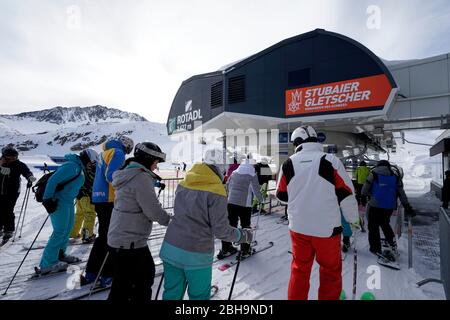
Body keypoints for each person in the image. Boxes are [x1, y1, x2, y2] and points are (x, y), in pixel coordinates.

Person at [276, 126, 359, 300]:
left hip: (298, 228)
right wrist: (353, 220)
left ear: (297, 142)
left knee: (299, 269)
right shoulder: (330, 160)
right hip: (327, 230)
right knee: (330, 271)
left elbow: (281, 196)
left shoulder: (288, 163)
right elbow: (346, 194)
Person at [159, 149, 253, 300]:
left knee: (171, 293)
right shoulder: (217, 191)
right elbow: (221, 230)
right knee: (199, 296)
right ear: (220, 167)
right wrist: (243, 235)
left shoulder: (184, 182)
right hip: (196, 254)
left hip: (171, 248)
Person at [107, 142, 170, 301]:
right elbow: (153, 212)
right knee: (140, 283)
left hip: (121, 238)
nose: (156, 167)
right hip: (130, 242)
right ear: (149, 159)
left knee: (123, 285)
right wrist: (174, 221)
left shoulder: (129, 173)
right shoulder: (141, 177)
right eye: (156, 162)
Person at [81, 136, 134, 287]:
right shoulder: (118, 152)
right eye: (129, 148)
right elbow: (112, 176)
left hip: (99, 198)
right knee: (114, 238)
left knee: (103, 237)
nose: (128, 151)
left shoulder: (105, 152)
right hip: (110, 199)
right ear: (126, 145)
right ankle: (108, 274)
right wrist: (129, 183)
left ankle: (92, 272)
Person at [37, 149, 98, 275]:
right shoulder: (72, 166)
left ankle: (60, 254)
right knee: (60, 231)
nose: (91, 165)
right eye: (92, 163)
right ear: (87, 159)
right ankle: (47, 263)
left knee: (67, 228)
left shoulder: (78, 167)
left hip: (68, 201)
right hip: (59, 201)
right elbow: (53, 181)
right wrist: (47, 199)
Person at [361, 160, 414, 260]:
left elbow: (365, 187)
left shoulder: (373, 173)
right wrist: (407, 206)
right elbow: (401, 193)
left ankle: (375, 248)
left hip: (375, 205)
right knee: (385, 223)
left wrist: (363, 197)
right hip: (389, 206)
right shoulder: (395, 176)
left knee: (373, 226)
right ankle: (391, 242)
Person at [218, 156, 264, 259]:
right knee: (245, 226)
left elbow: (228, 185)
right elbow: (256, 190)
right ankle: (245, 250)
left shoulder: (235, 172)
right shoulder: (252, 174)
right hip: (244, 204)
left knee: (230, 225)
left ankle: (226, 248)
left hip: (231, 203)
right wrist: (261, 201)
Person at [0, 146, 36, 244]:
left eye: (14, 157)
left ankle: (9, 230)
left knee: (8, 209)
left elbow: (26, 172)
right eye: (10, 157)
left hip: (12, 191)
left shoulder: (19, 165)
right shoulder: (1, 163)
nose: (12, 159)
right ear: (4, 156)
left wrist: (30, 177)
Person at [70, 149, 98, 244]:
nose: (92, 164)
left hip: (79, 196)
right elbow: (93, 182)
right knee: (90, 214)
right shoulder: (90, 171)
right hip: (88, 196)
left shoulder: (80, 168)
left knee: (79, 215)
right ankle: (87, 235)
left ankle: (73, 233)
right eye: (92, 162)